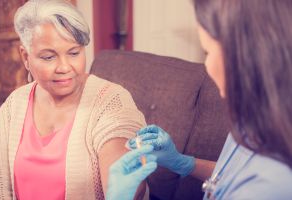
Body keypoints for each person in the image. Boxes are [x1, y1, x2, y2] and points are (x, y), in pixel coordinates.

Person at [107, 0, 292, 199]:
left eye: (208, 52)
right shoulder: (252, 120)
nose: (207, 66)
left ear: (244, 57)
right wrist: (183, 162)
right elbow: (231, 177)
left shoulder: (270, 187)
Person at [0, 0, 147, 199]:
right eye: (49, 57)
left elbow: (122, 174)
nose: (64, 67)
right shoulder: (14, 105)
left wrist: (125, 185)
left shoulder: (111, 101)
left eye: (74, 53)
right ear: (25, 57)